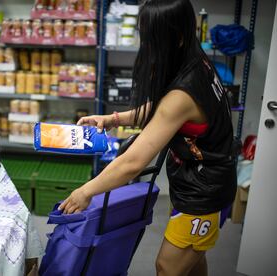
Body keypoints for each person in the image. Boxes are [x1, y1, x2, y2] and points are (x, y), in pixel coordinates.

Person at [58, 0, 238, 275]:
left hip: (205, 192)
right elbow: (161, 109)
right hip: (194, 180)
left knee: (167, 267)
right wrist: (113, 119)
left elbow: (133, 162)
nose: (148, 47)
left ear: (175, 36)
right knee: (192, 260)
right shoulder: (196, 61)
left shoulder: (183, 95)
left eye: (152, 38)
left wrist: (85, 192)